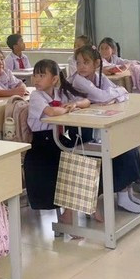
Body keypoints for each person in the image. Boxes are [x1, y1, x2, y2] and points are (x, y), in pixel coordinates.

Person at [69, 46, 140, 214]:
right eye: (79, 62)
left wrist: (110, 96)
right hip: (80, 132)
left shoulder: (98, 77)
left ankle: (127, 193)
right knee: (120, 149)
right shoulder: (78, 80)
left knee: (128, 145)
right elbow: (103, 97)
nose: (81, 67)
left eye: (86, 62)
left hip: (97, 125)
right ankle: (123, 196)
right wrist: (110, 96)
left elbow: (124, 93)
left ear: (96, 63)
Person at [24, 60, 89, 227]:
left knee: (84, 152)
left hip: (59, 138)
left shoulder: (61, 93)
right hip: (42, 143)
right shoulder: (36, 96)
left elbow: (86, 102)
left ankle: (72, 212)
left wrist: (74, 104)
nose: (36, 79)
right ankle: (70, 215)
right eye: (35, 75)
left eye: (41, 75)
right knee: (71, 160)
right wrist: (68, 109)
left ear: (54, 80)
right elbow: (52, 112)